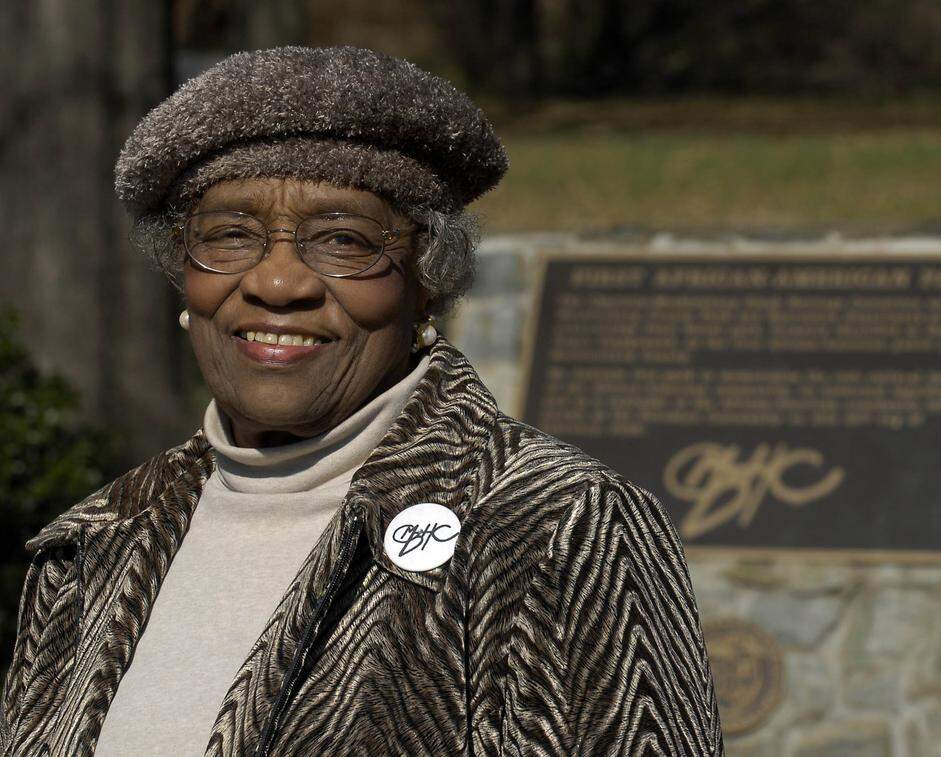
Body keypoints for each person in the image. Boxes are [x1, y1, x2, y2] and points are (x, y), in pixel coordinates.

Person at [0, 46, 723, 756]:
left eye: (343, 240)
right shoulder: (98, 540)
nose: (278, 283)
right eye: (228, 236)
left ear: (427, 278)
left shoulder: (554, 524)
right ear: (183, 273)